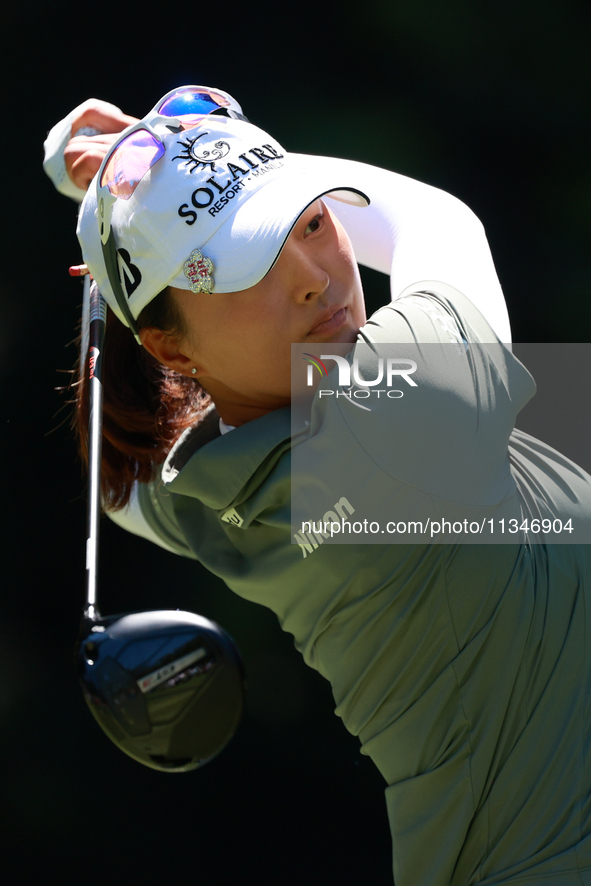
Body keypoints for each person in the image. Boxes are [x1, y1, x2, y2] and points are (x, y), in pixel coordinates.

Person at [45, 85, 591, 886]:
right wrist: (191, 150)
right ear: (169, 345)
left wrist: (157, 192)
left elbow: (120, 492)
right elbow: (433, 221)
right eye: (250, 263)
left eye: (308, 222)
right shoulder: (406, 417)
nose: (314, 276)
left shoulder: (203, 488)